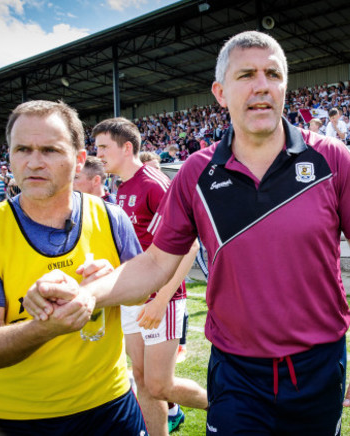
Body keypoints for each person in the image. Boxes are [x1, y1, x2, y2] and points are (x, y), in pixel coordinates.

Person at [25, 31, 350, 435]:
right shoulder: (195, 174)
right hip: (236, 371)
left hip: (318, 367)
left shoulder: (330, 158)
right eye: (247, 75)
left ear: (284, 87)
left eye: (272, 74)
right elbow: (155, 264)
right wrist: (89, 293)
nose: (261, 85)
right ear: (220, 92)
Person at [0, 100, 147, 435]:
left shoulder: (111, 217)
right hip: (16, 418)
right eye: (22, 149)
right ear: (10, 156)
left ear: (79, 160)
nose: (34, 162)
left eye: (50, 150)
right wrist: (45, 327)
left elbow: (140, 294)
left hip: (111, 404)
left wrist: (109, 286)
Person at [93, 117, 206, 436]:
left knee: (159, 384)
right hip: (135, 296)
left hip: (161, 300)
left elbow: (189, 244)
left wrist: (161, 301)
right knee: (142, 379)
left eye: (104, 147)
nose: (98, 153)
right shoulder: (122, 185)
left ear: (126, 147)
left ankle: (230, 408)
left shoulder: (153, 183)